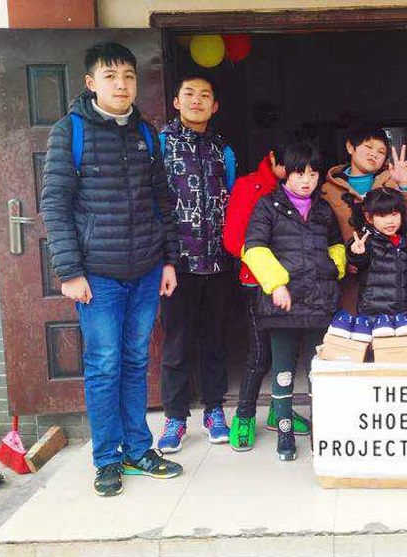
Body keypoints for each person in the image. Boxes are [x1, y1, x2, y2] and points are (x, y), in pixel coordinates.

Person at [41, 42, 181, 497]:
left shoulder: (147, 133)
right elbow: (55, 206)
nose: (121, 85)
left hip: (144, 270)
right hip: (97, 275)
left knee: (136, 362)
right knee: (104, 364)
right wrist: (69, 271)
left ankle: (138, 449)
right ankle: (107, 458)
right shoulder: (71, 131)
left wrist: (167, 261)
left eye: (128, 76)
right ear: (91, 83)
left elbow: (162, 202)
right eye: (110, 76)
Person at [242, 142, 346, 461]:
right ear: (287, 173)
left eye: (313, 174)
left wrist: (334, 268)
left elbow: (336, 245)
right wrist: (276, 284)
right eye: (300, 173)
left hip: (318, 302)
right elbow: (254, 248)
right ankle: (284, 431)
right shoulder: (267, 206)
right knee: (283, 370)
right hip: (282, 304)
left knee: (317, 370)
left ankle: (321, 430)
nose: (307, 181)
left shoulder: (322, 209)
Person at [156, 74, 236, 452]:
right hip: (178, 265)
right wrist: (164, 261)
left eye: (206, 95)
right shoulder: (160, 145)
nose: (197, 100)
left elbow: (233, 204)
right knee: (176, 343)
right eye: (189, 93)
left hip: (218, 263)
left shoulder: (225, 150)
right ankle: (174, 418)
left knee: (215, 341)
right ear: (176, 102)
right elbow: (154, 206)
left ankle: (215, 410)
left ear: (215, 106)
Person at [223, 144, 314, 451]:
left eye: (304, 170)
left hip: (297, 285)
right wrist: (271, 269)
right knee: (260, 353)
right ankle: (244, 415)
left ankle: (279, 412)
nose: (299, 175)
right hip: (258, 282)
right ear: (273, 159)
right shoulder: (250, 186)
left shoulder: (307, 192)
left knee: (290, 352)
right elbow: (235, 239)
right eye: (290, 166)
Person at [319, 126, 407, 313]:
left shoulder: (391, 181)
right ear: (350, 147)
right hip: (346, 282)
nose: (374, 154)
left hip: (387, 283)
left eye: (381, 151)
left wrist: (405, 184)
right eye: (368, 147)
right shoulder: (329, 189)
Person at [345, 188, 407, 333]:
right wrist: (356, 253)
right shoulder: (366, 243)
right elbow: (358, 261)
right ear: (369, 217)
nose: (390, 221)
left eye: (394, 214)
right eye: (382, 216)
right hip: (374, 318)